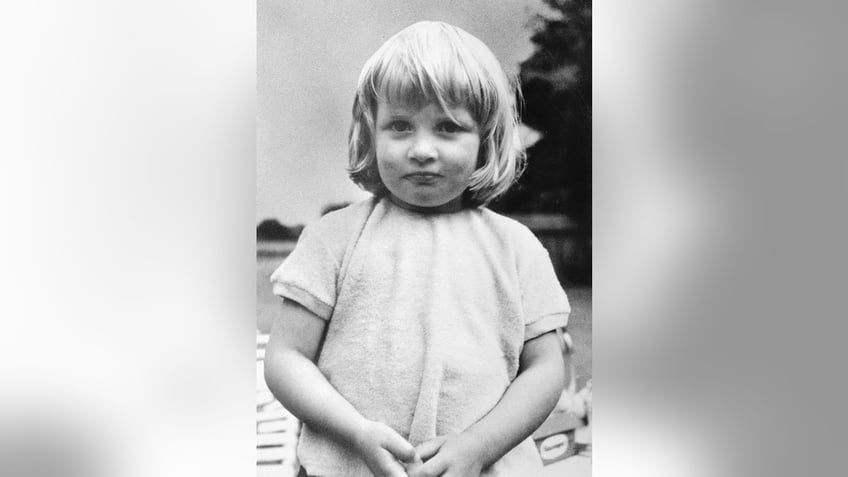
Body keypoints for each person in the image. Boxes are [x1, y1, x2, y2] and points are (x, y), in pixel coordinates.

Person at [264, 21, 570, 477]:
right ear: (372, 133)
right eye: (400, 126)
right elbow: (286, 358)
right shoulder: (333, 238)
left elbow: (546, 370)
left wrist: (478, 447)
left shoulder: (517, 249)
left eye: (448, 127)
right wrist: (356, 433)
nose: (422, 149)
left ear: (484, 139)